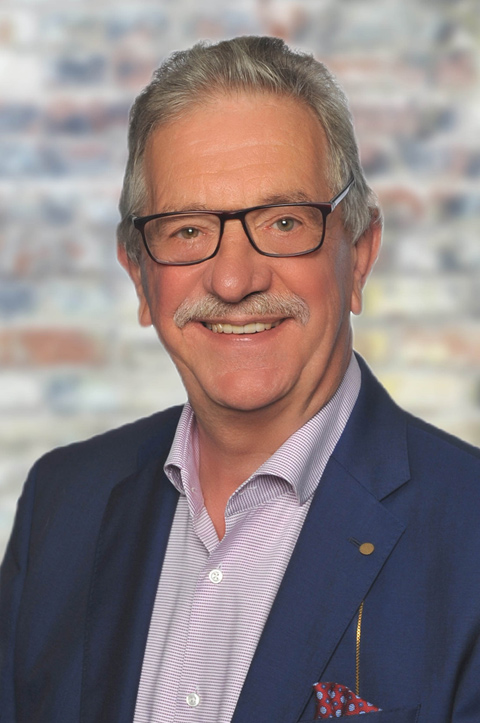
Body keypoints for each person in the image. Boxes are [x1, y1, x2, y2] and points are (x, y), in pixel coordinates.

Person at [1, 36, 480, 723]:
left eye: (283, 222)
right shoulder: (62, 505)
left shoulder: (469, 531)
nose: (233, 280)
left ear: (360, 254)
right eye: (188, 231)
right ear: (139, 276)